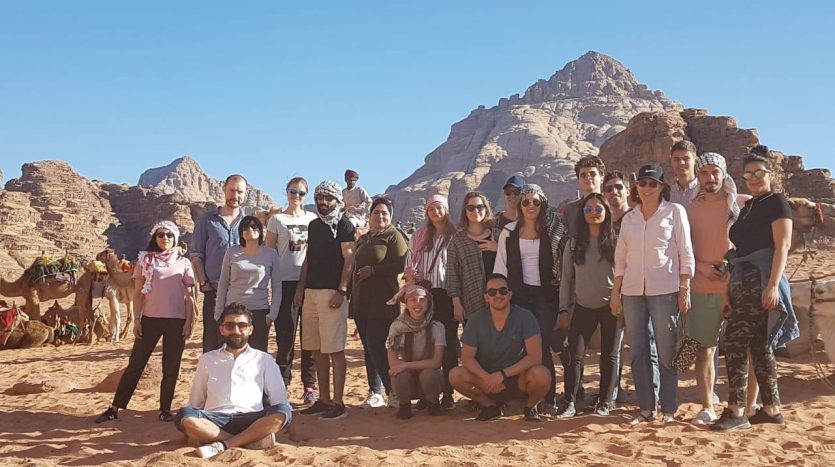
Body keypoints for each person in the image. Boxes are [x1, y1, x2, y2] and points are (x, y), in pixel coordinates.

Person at [712, 153, 798, 431]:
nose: (753, 179)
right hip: (741, 279)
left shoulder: (777, 202)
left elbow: (782, 246)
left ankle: (737, 410)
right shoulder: (749, 206)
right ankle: (771, 410)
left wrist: (773, 285)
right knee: (759, 346)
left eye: (759, 173)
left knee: (735, 342)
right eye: (747, 175)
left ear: (770, 173)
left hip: (759, 280)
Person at [611, 164, 694, 424]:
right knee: (638, 352)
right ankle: (646, 408)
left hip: (665, 290)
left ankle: (668, 408)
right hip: (632, 292)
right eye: (643, 183)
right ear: (636, 187)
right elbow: (621, 259)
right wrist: (616, 293)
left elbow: (685, 251)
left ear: (661, 187)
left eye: (652, 184)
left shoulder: (674, 212)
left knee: (666, 350)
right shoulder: (629, 219)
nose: (647, 188)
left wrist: (685, 287)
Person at [95, 221, 196, 423]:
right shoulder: (145, 260)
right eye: (160, 235)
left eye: (168, 235)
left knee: (171, 366)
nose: (164, 238)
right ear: (154, 237)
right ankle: (115, 408)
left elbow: (190, 295)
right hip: (150, 320)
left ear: (175, 237)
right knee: (136, 364)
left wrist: (190, 321)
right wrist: (137, 320)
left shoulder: (183, 263)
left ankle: (165, 409)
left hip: (177, 321)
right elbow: (139, 294)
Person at [177, 303, 293, 459]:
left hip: (252, 419)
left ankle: (222, 444)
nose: (236, 331)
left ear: (250, 329)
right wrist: (188, 426)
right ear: (222, 329)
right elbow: (196, 400)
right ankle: (248, 442)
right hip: (215, 419)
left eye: (242, 325)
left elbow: (279, 400)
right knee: (185, 415)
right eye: (230, 326)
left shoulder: (264, 359)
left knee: (283, 412)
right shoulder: (208, 359)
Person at [685, 153, 748, 425]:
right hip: (701, 285)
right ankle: (708, 405)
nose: (710, 178)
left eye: (715, 173)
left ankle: (744, 403)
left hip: (735, 285)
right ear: (698, 176)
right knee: (705, 348)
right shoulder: (689, 209)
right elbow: (684, 248)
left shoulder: (741, 205)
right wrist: (701, 268)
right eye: (705, 173)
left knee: (741, 347)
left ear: (724, 174)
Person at [494, 184, 566, 416]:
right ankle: (524, 395)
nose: (530, 206)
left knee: (541, 344)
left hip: (546, 296)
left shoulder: (552, 231)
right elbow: (501, 267)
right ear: (520, 205)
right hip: (519, 296)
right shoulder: (509, 232)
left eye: (535, 202)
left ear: (542, 204)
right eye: (526, 202)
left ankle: (549, 397)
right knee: (521, 347)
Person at [449, 273, 551, 422]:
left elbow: (535, 357)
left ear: (510, 295)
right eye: (492, 292)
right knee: (455, 375)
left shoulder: (525, 317)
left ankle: (530, 407)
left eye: (503, 291)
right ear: (486, 297)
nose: (498, 295)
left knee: (542, 374)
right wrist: (487, 378)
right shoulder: (475, 320)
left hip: (518, 379)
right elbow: (467, 358)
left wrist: (501, 375)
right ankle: (489, 406)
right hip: (487, 381)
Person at [294, 180, 356, 420]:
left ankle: (338, 402)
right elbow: (308, 258)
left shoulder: (344, 225)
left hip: (332, 294)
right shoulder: (313, 226)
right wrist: (301, 287)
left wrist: (341, 291)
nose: (323, 202)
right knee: (316, 350)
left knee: (335, 349)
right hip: (311, 293)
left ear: (336, 201)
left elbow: (349, 260)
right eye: (320, 198)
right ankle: (324, 399)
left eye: (328, 198)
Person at [557, 193, 619, 417]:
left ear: (606, 212)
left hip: (611, 307)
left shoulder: (617, 241)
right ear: (582, 214)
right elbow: (566, 279)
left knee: (609, 355)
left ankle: (604, 402)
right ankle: (570, 402)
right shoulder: (573, 244)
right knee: (575, 355)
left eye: (598, 209)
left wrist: (620, 300)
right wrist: (564, 308)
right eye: (588, 209)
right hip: (583, 306)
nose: (593, 213)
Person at [265, 177, 319, 404]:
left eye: (301, 193)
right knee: (285, 338)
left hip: (310, 283)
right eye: (293, 191)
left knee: (309, 338)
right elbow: (268, 253)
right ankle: (283, 384)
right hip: (285, 283)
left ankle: (309, 386)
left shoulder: (313, 219)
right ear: (286, 192)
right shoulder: (277, 220)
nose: (297, 196)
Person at [352, 196, 408, 408]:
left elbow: (401, 264)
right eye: (376, 212)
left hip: (384, 300)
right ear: (370, 215)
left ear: (390, 216)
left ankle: (392, 390)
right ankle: (374, 392)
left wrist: (374, 270)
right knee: (368, 347)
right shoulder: (364, 238)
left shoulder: (394, 236)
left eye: (384, 213)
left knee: (378, 345)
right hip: (361, 301)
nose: (380, 216)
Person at [404, 194, 457, 410]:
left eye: (439, 208)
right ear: (427, 212)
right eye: (431, 209)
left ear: (446, 210)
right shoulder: (419, 236)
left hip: (447, 294)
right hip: (425, 295)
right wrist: (411, 276)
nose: (435, 212)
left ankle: (448, 394)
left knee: (449, 343)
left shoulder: (455, 236)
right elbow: (409, 264)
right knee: (426, 344)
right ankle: (428, 393)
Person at [191, 174, 248, 353]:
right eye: (232, 190)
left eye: (240, 192)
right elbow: (196, 254)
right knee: (212, 343)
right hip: (214, 290)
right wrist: (204, 282)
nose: (235, 196)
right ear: (224, 189)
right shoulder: (207, 220)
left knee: (238, 342)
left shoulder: (248, 223)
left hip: (241, 292)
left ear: (245, 194)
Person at [214, 215, 281, 352]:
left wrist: (271, 315)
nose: (249, 230)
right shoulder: (232, 252)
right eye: (245, 228)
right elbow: (223, 283)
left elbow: (277, 285)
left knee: (257, 356)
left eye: (254, 227)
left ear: (261, 231)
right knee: (231, 353)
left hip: (259, 311)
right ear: (241, 233)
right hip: (233, 310)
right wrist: (219, 313)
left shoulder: (271, 254)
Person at [386, 284, 446, 419]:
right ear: (406, 303)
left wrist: (406, 365)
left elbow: (436, 363)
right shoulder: (397, 327)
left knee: (429, 374)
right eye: (413, 300)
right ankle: (404, 406)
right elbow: (393, 363)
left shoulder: (437, 327)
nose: (417, 304)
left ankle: (433, 403)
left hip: (428, 379)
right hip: (407, 380)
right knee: (398, 375)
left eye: (422, 300)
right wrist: (402, 367)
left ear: (428, 303)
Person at [446, 191, 501, 323]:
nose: (475, 211)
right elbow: (452, 274)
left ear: (485, 208)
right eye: (470, 208)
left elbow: (512, 262)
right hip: (470, 302)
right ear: (465, 211)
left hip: (500, 299)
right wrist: (456, 304)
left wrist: (499, 249)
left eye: (479, 207)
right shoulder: (457, 241)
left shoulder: (498, 235)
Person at [563, 156, 606, 235]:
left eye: (592, 174)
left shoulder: (611, 206)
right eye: (583, 175)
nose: (588, 177)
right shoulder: (570, 210)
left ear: (602, 178)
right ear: (578, 180)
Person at [669, 140, 699, 207]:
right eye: (676, 159)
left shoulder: (704, 191)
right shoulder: (666, 193)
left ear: (695, 160)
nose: (681, 163)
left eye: (686, 159)